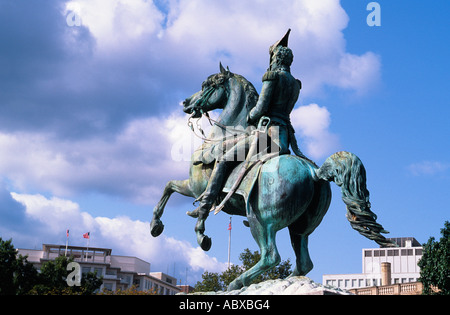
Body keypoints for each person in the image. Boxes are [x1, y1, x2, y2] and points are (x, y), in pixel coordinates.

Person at [187, 29, 305, 219]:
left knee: (225, 160)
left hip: (266, 137)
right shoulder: (295, 84)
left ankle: (204, 206)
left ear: (275, 57)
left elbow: (260, 109)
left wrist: (249, 116)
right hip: (285, 140)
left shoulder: (271, 77)